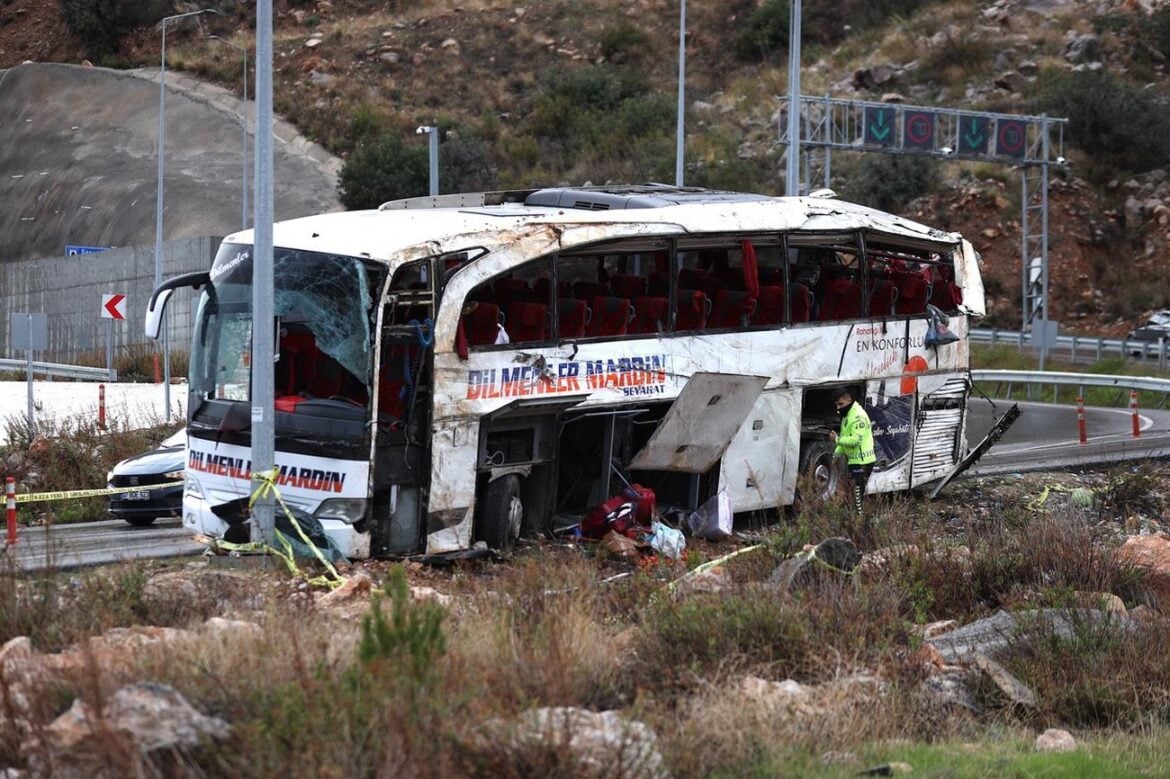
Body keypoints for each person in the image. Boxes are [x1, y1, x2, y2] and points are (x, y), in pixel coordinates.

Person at [829, 387, 876, 514]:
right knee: (854, 492)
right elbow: (845, 435)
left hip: (863, 461)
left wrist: (837, 439)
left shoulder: (858, 417)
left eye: (841, 404)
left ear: (849, 400)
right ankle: (857, 520)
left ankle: (860, 522)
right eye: (836, 405)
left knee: (857, 494)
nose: (838, 408)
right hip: (855, 460)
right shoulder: (847, 415)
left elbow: (855, 440)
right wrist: (837, 455)